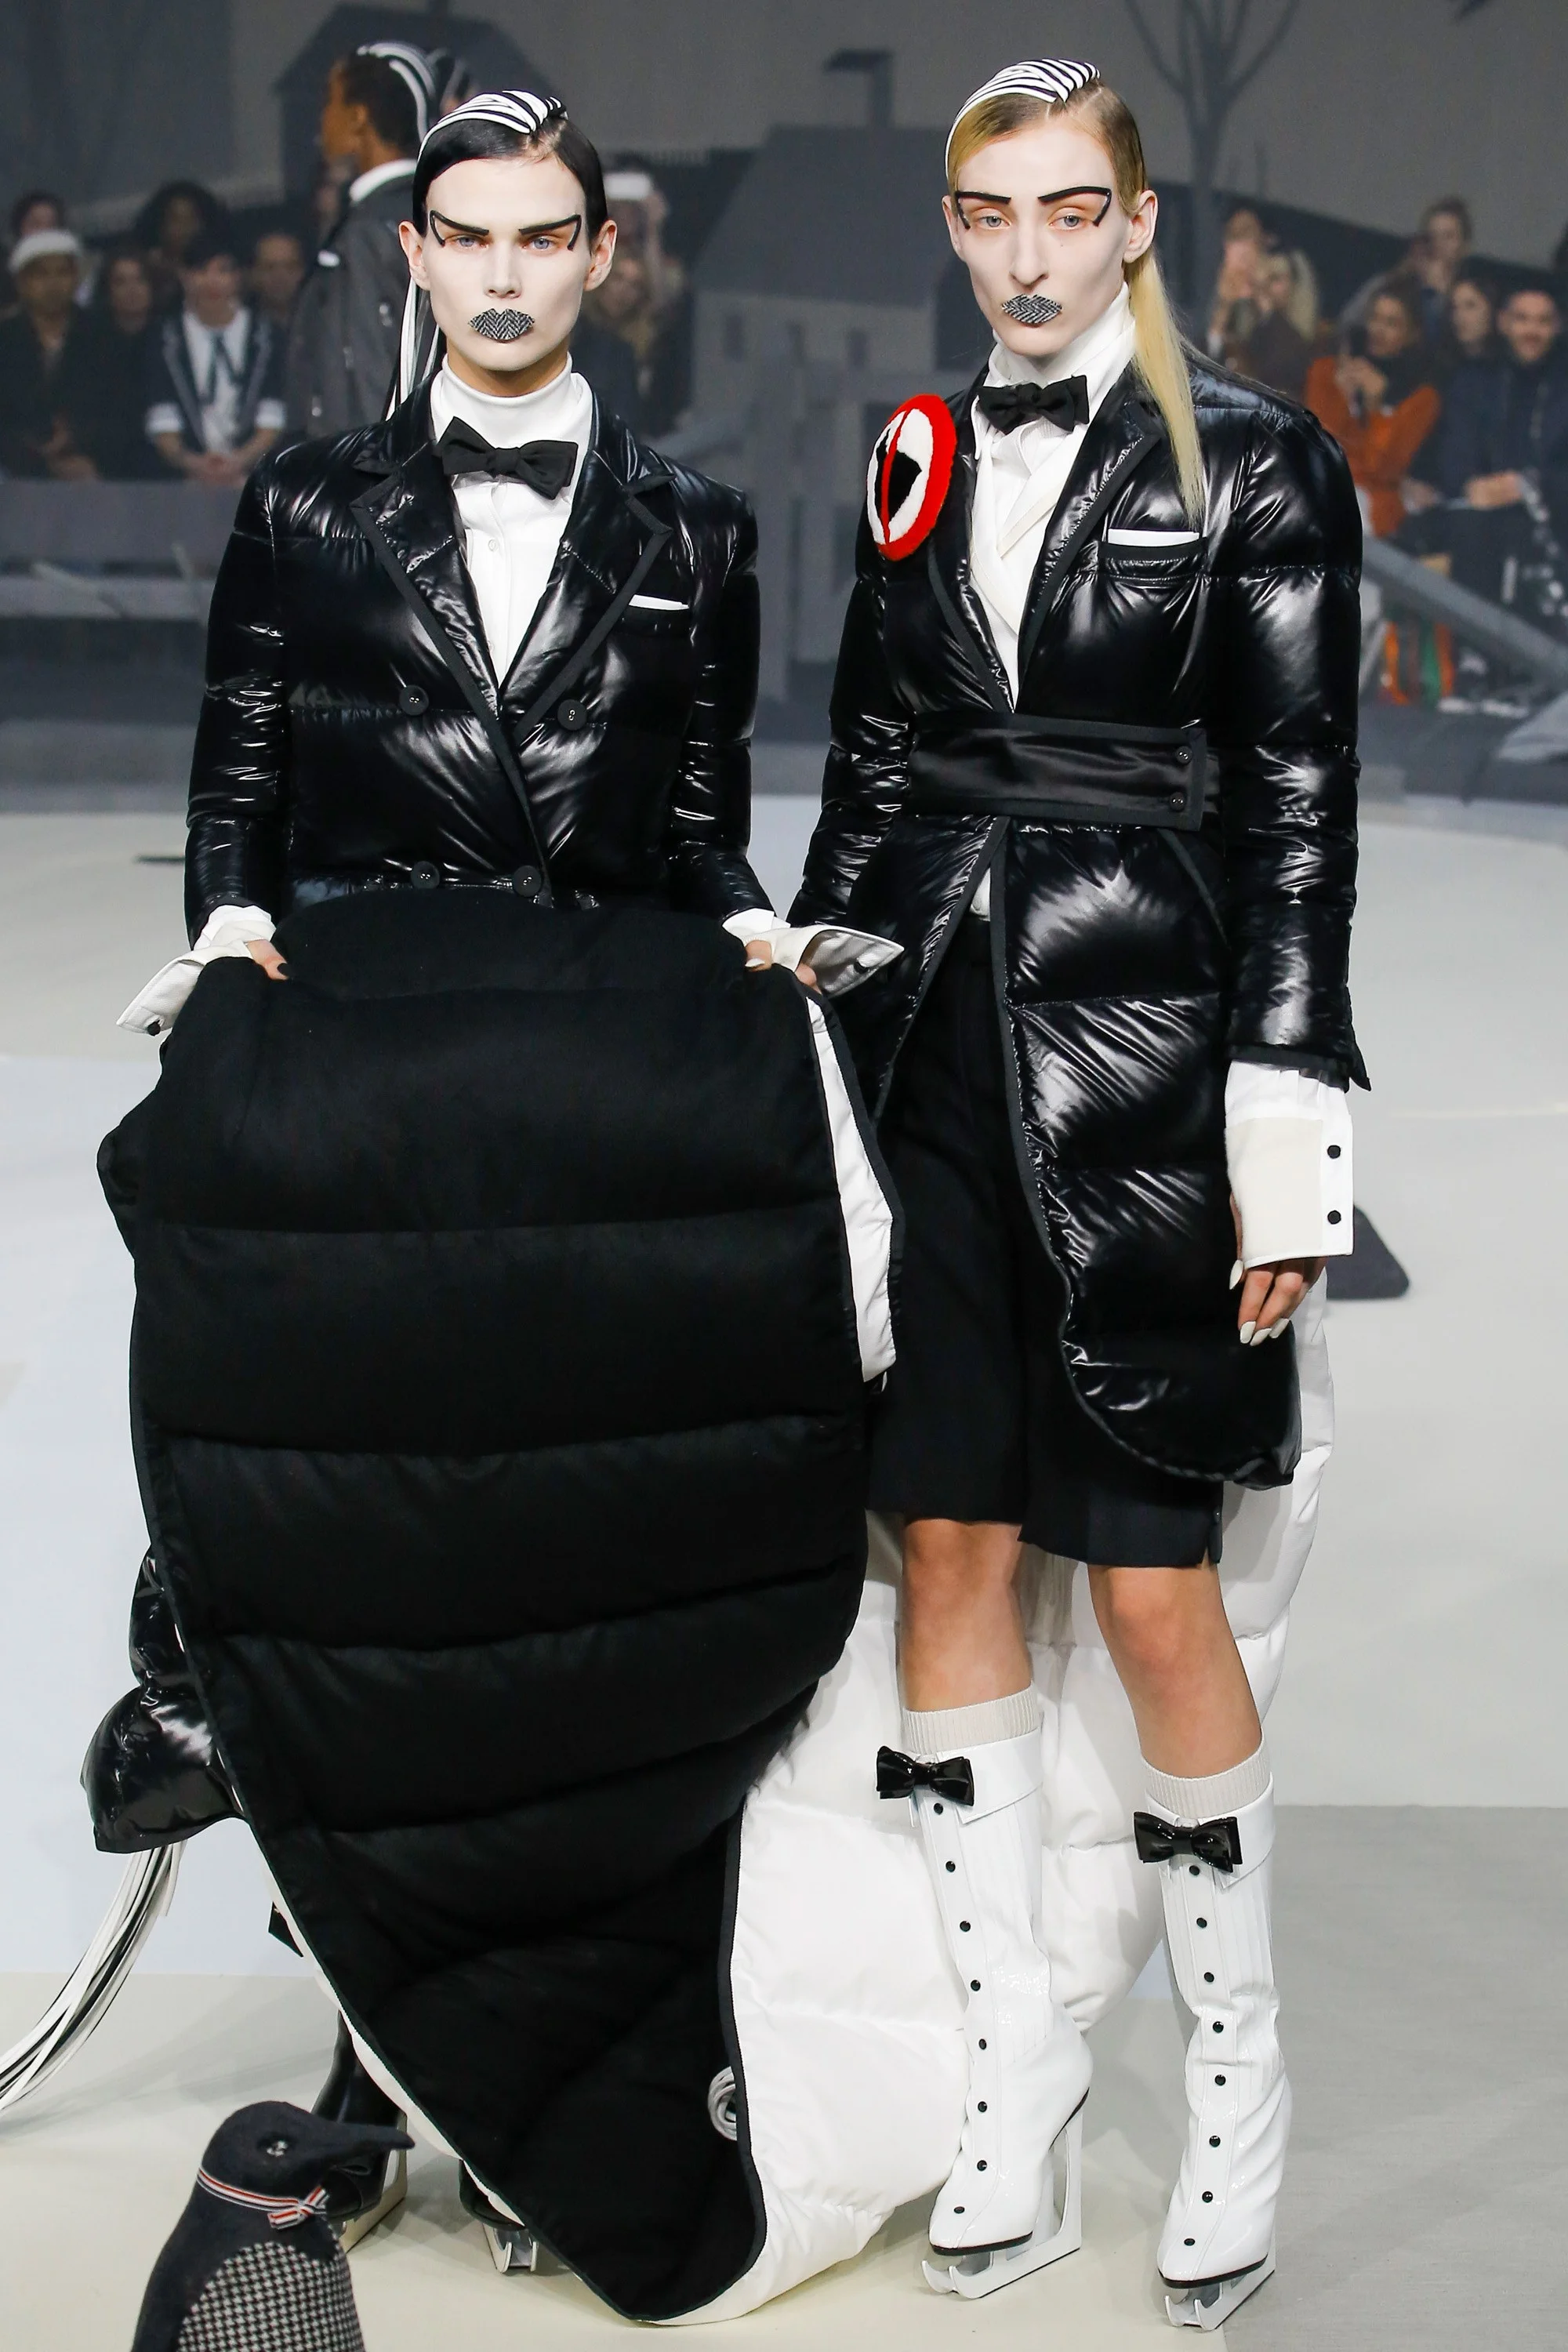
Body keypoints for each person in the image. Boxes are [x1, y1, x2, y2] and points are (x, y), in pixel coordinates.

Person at [792, 54, 1362, 2325]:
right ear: (955, 228)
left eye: (1065, 210)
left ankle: (1237, 2077)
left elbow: (1300, 802)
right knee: (946, 1544)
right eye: (988, 213)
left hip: (1150, 1060)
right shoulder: (916, 451)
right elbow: (868, 762)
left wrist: (1289, 1124)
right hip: (934, 1048)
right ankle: (1011, 2072)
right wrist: (812, 1028)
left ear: (1134, 222)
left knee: (1146, 1587)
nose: (1026, 255)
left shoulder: (1263, 462)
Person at [285, 43, 434, 436]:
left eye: (329, 102)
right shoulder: (427, 213)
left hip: (366, 458)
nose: (321, 121)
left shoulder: (371, 230)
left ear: (358, 117)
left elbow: (370, 365)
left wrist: (372, 462)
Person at [1421, 278, 1568, 612]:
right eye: (1522, 319)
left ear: (1558, 327)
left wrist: (1527, 485)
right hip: (1478, 519)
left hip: (1551, 523)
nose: (1532, 331)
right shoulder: (1475, 380)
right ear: (1503, 323)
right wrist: (1473, 485)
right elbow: (1454, 453)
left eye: (1543, 321)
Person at [143, 227, 285, 485]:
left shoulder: (266, 336)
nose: (212, 281)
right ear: (185, 276)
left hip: (254, 478)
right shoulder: (164, 339)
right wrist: (195, 464)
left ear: (239, 277)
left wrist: (238, 462)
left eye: (223, 270)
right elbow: (162, 418)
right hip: (186, 481)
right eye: (201, 271)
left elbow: (272, 416)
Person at [1305, 278, 1440, 535]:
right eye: (1375, 319)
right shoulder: (1327, 371)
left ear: (1412, 335)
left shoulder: (1422, 397)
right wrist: (1342, 397)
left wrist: (1376, 409)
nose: (1378, 330)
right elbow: (1318, 447)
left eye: (1392, 323)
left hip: (1369, 504)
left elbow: (1384, 471)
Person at [0, 227, 101, 477]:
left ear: (76, 278)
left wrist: (75, 441)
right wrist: (37, 455)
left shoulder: (103, 335)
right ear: (21, 283)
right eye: (41, 274)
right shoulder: (6, 338)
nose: (53, 284)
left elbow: (118, 411)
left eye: (62, 273)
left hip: (90, 468)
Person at [79, 240, 165, 478]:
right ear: (107, 290)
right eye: (121, 282)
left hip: (159, 456)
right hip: (103, 456)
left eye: (140, 280)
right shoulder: (88, 342)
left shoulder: (172, 340)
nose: (132, 290)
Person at [132, 179, 230, 314]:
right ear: (160, 226)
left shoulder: (223, 267)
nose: (185, 228)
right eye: (176, 220)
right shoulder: (146, 273)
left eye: (192, 219)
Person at [1237, 249, 1312, 397]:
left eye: (1275, 278)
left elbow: (1276, 374)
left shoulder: (1307, 340)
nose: (1265, 287)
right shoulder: (1247, 334)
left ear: (1294, 284)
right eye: (1261, 280)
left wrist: (1269, 316)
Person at [249, 227, 307, 332]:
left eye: (290, 267)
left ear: (302, 271)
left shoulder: (323, 324)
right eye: (270, 267)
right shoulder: (243, 328)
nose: (280, 277)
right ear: (254, 274)